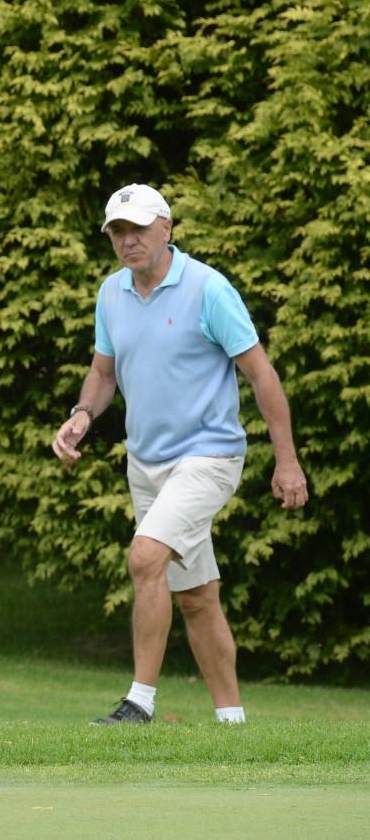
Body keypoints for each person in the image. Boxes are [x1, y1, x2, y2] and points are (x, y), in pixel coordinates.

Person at [51, 183, 307, 726]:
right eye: (118, 231)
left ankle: (138, 704)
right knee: (196, 596)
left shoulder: (208, 289)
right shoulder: (111, 294)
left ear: (167, 227)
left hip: (208, 457)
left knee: (145, 558)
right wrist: (82, 415)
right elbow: (102, 373)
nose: (129, 241)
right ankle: (232, 723)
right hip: (146, 465)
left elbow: (261, 374)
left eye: (139, 228)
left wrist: (287, 462)